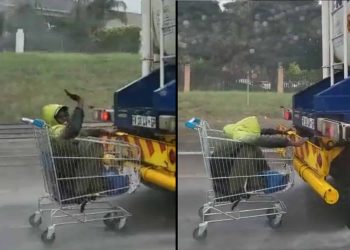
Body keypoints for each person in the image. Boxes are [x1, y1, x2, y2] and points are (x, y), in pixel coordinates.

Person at [40, 90, 117, 205]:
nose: (66, 118)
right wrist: (80, 103)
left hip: (69, 171)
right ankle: (84, 190)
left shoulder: (56, 131)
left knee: (88, 143)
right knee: (94, 145)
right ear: (52, 119)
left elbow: (80, 132)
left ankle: (91, 187)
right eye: (61, 116)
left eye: (67, 114)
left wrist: (102, 131)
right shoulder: (56, 130)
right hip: (72, 177)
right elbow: (74, 130)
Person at [210, 116, 307, 207]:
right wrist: (291, 143)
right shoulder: (244, 137)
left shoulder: (237, 129)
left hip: (223, 166)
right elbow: (262, 140)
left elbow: (261, 132)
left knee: (250, 148)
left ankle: (263, 176)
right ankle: (239, 189)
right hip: (223, 171)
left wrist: (281, 132)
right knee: (250, 149)